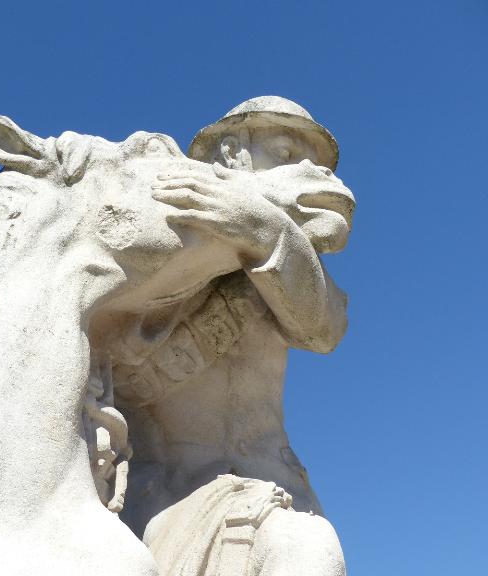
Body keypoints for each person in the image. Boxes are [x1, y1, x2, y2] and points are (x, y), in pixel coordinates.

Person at [112, 97, 354, 575]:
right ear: (231, 154)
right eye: (287, 154)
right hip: (164, 498)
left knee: (307, 549)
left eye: (318, 163)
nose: (314, 172)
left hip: (275, 490)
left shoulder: (291, 257)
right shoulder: (156, 225)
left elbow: (324, 329)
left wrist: (265, 230)